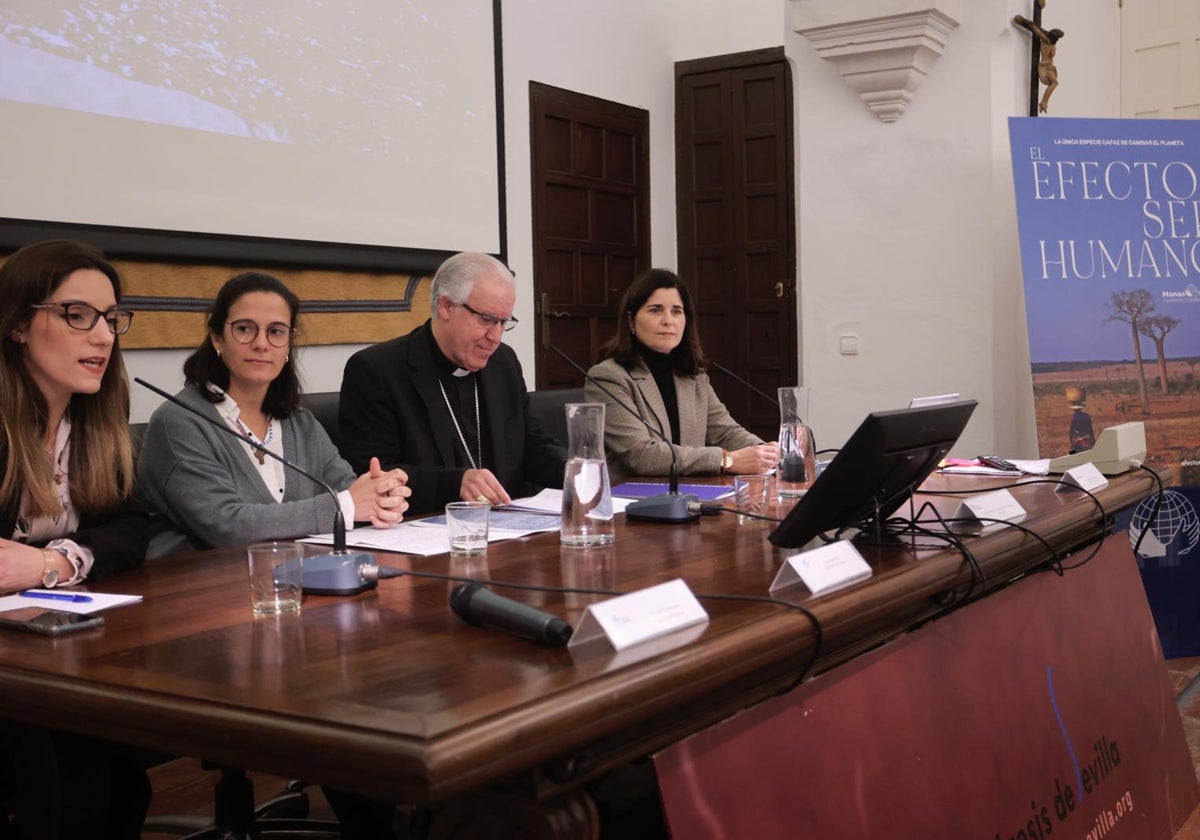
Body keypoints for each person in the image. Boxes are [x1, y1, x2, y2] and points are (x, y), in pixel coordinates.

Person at [0, 239, 152, 838]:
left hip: (52, 643)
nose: (103, 336)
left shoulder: (93, 420)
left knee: (110, 773)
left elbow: (132, 527)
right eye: (77, 315)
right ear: (16, 324)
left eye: (111, 319)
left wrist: (54, 562)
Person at [138, 271, 410, 559]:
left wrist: (382, 498)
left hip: (298, 585)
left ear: (288, 346)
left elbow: (349, 491)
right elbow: (227, 526)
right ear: (217, 338)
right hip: (200, 594)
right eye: (244, 329)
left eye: (276, 331)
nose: (261, 343)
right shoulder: (179, 423)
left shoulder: (301, 422)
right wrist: (347, 506)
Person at [339, 252, 565, 515]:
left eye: (504, 322)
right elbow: (373, 474)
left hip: (508, 532)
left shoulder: (503, 363)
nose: (496, 336)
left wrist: (571, 469)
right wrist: (456, 483)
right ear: (446, 306)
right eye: (486, 319)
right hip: (426, 533)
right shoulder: (377, 370)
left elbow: (530, 444)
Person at [585, 268, 778, 484]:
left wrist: (766, 453)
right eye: (656, 310)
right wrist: (727, 460)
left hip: (691, 494)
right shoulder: (608, 377)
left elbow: (726, 433)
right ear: (630, 321)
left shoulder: (693, 376)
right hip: (635, 502)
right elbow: (641, 455)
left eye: (677, 311)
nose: (668, 320)